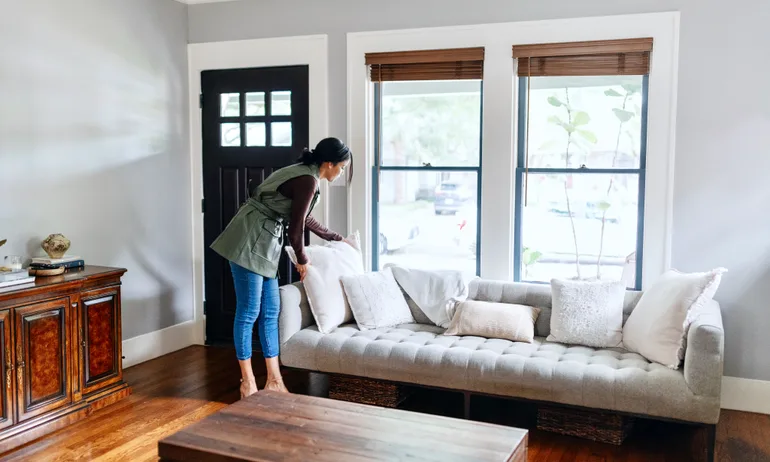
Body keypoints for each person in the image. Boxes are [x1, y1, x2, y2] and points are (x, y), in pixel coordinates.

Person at [209, 137, 352, 398]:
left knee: (271, 310)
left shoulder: (307, 176)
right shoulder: (307, 179)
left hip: (266, 243)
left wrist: (336, 237)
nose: (341, 172)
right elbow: (296, 228)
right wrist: (302, 260)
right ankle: (248, 382)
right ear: (329, 164)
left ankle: (274, 380)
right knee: (249, 311)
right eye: (341, 167)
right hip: (248, 239)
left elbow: (304, 217)